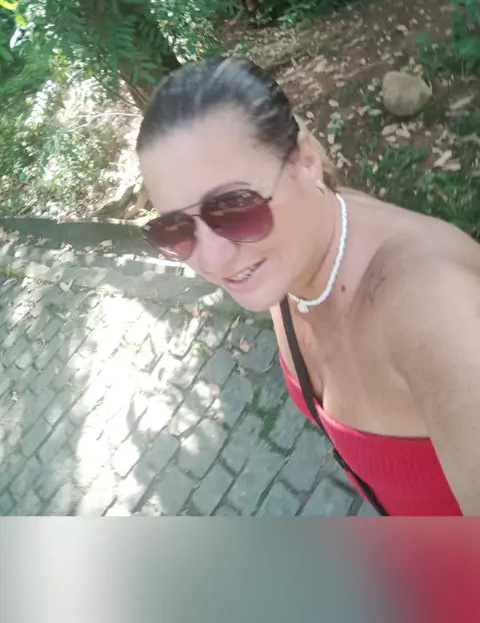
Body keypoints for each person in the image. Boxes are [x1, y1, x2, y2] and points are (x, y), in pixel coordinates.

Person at [136, 57, 480, 516]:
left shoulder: (436, 310)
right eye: (175, 229)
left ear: (307, 161)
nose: (211, 259)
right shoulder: (291, 265)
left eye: (235, 208)